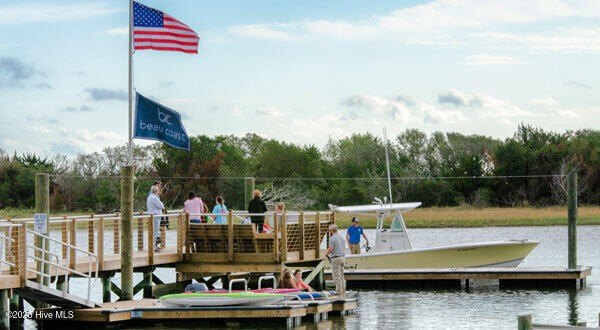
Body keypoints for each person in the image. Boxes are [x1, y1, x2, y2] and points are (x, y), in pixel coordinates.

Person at [326, 224, 346, 298]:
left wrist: (326, 253)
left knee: (336, 276)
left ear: (331, 230)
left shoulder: (332, 238)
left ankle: (338, 292)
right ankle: (343, 292)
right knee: (342, 276)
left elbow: (331, 249)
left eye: (329, 230)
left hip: (336, 258)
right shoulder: (341, 238)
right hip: (343, 257)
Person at [146, 185, 164, 252]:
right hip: (155, 216)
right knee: (155, 232)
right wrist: (161, 203)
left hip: (153, 216)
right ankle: (153, 247)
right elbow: (161, 206)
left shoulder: (150, 197)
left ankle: (154, 246)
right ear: (156, 191)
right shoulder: (154, 198)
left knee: (155, 232)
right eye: (158, 190)